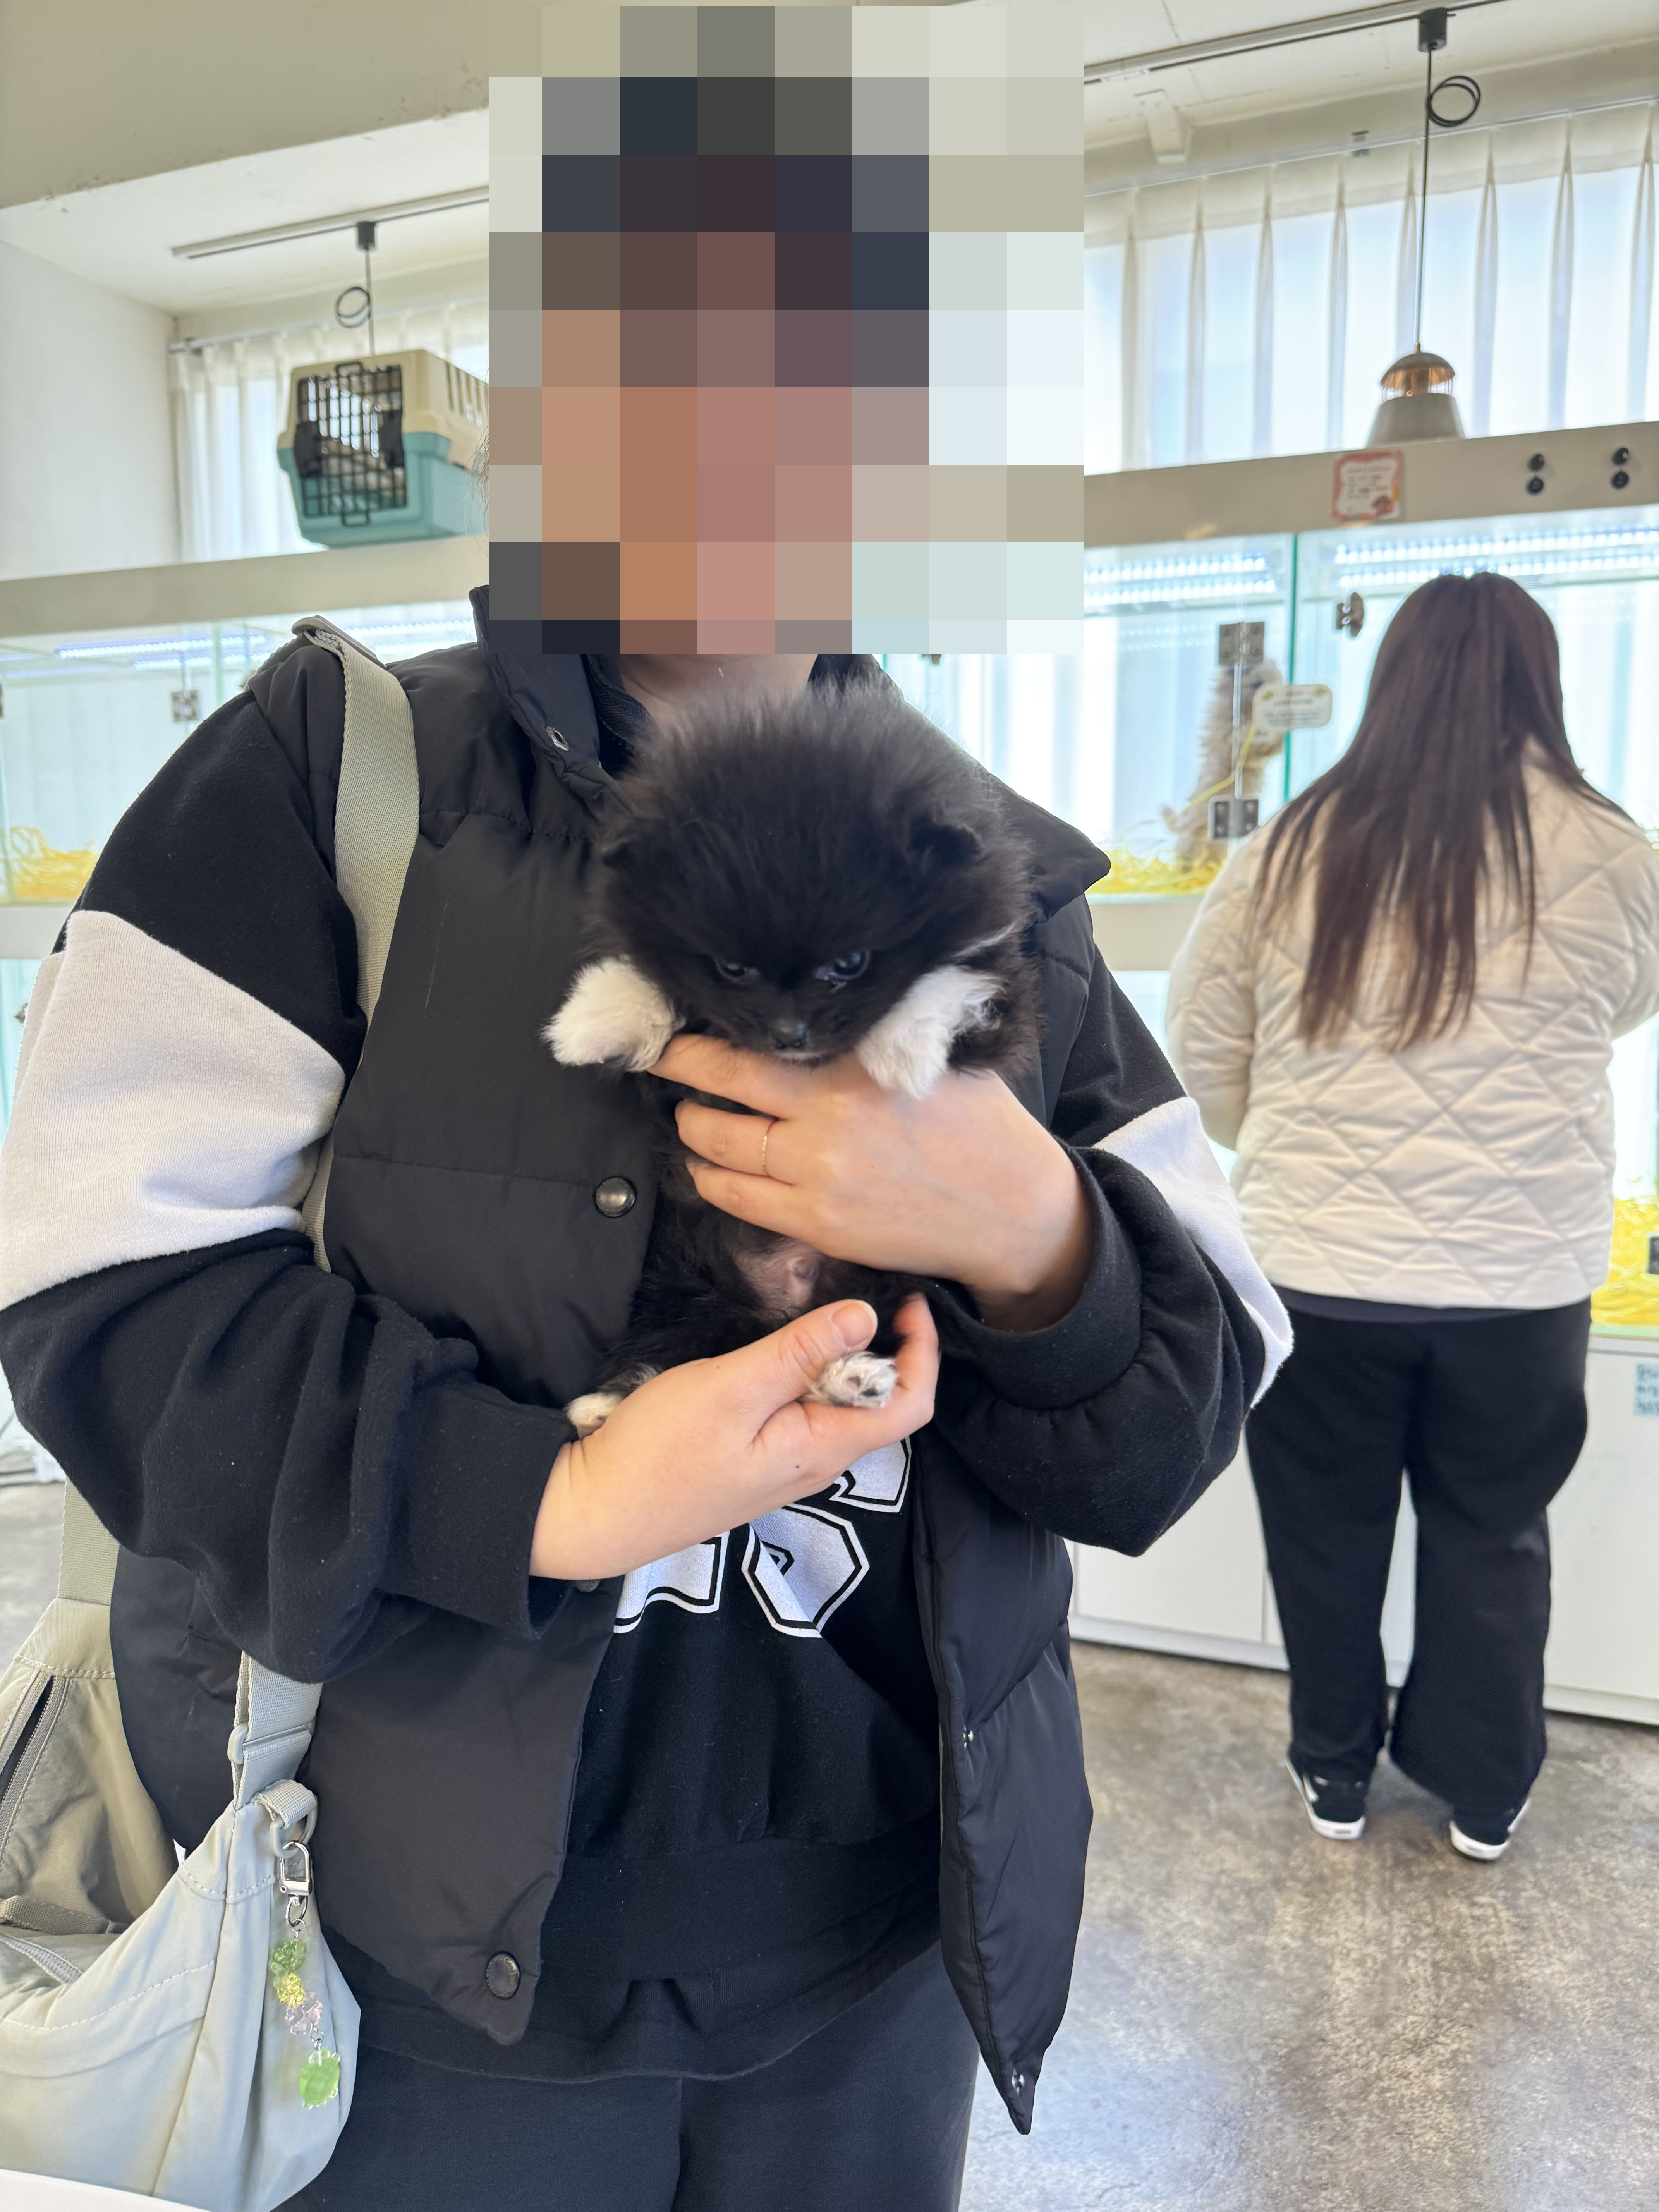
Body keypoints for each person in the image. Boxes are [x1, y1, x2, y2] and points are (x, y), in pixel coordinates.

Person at [0, 601, 1287, 2211]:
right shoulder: (327, 774)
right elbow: (100, 1293)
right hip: (390, 1962)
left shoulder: (1005, 867)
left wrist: (1038, 1234)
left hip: (887, 1942)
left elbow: (1190, 1398)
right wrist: (540, 1498)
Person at [1167, 572, 1659, 1863]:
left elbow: (1202, 1045)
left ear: (1388, 680)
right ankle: (1483, 1790)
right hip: (1522, 1283)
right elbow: (1624, 1007)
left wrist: (1290, 1138)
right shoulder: (1615, 851)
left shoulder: (1289, 845)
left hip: (1316, 1270)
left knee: (1321, 1535)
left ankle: (1334, 1769)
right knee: (1491, 1534)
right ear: (1542, 683)